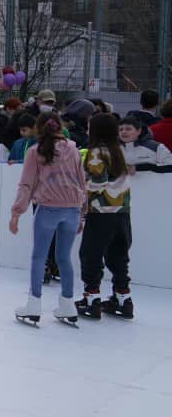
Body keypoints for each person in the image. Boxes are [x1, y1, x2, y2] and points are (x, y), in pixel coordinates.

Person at [8, 111, 86, 325]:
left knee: (38, 257)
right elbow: (81, 181)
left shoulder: (35, 151)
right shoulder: (73, 148)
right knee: (64, 257)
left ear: (38, 128)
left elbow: (26, 184)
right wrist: (82, 214)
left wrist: (16, 213)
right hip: (71, 209)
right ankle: (68, 304)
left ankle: (34, 304)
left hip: (48, 208)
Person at [77, 113, 135, 320]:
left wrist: (81, 192)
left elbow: (98, 182)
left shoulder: (96, 152)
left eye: (89, 125)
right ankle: (123, 298)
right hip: (122, 211)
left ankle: (91, 299)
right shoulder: (118, 150)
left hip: (101, 212)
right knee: (118, 254)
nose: (86, 128)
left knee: (91, 254)